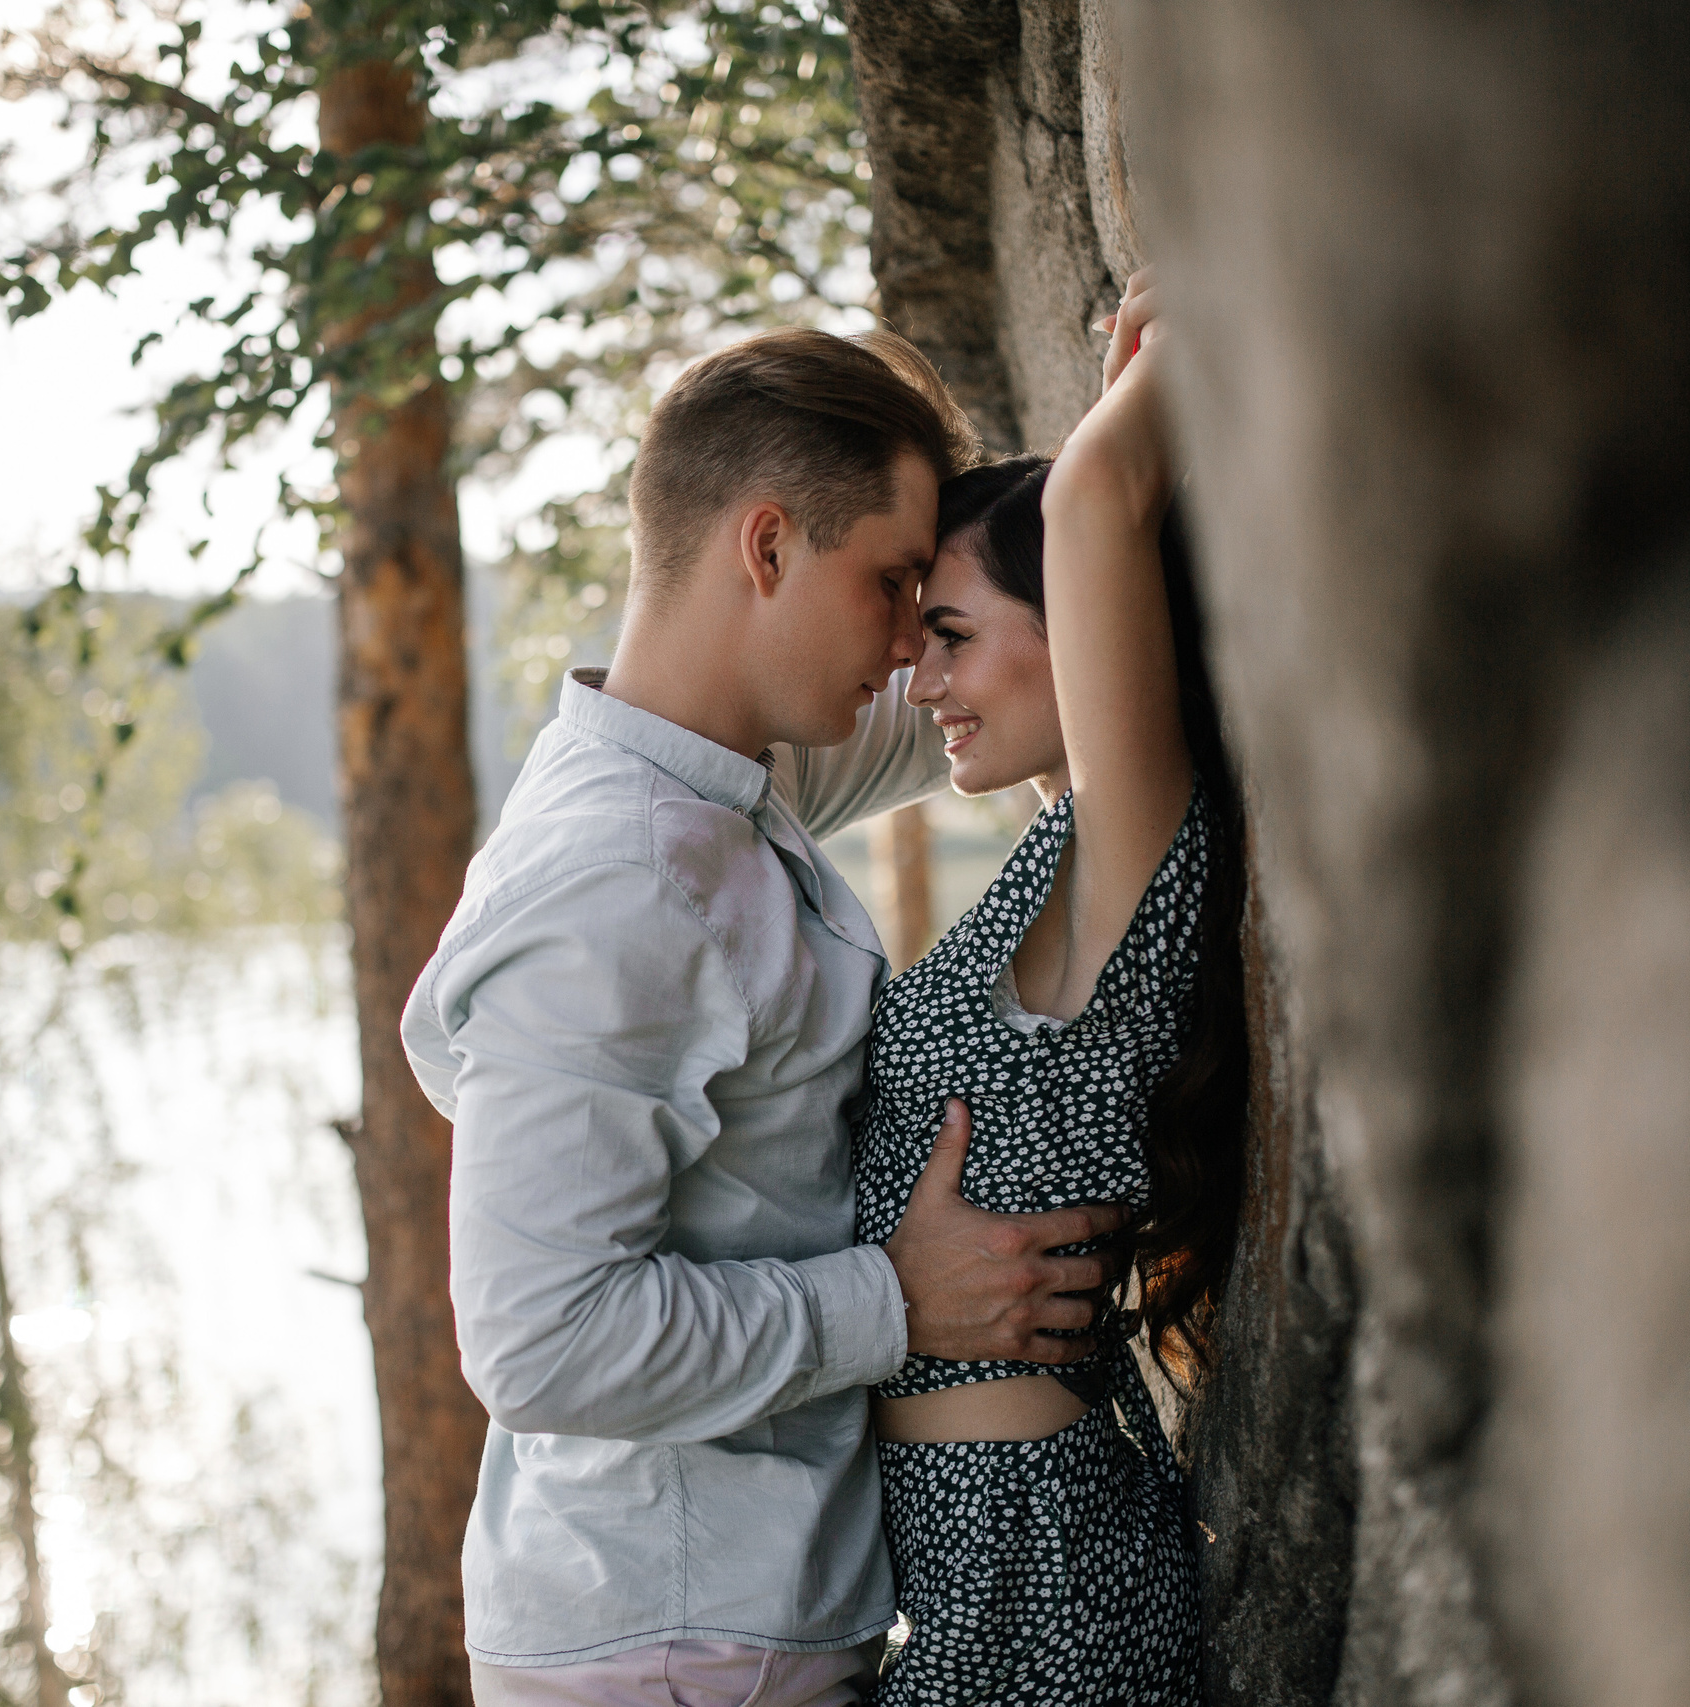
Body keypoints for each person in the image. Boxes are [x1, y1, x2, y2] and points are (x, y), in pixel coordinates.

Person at [401, 326, 1138, 1707]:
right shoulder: (619, 882)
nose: (917, 639)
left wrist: (1097, 501)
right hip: (671, 1651)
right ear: (766, 549)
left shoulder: (728, 786)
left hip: (721, 1631)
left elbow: (1001, 686)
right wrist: (897, 1300)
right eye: (895, 583)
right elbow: (541, 1340)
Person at [850, 272, 1247, 1704]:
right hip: (986, 1574)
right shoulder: (1065, 856)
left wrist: (1173, 345)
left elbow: (1091, 511)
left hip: (1044, 1581)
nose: (922, 682)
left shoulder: (1138, 850)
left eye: (949, 635)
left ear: (1077, 626)